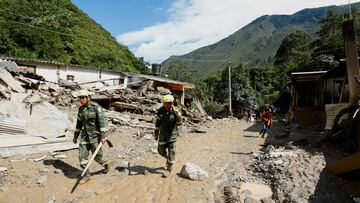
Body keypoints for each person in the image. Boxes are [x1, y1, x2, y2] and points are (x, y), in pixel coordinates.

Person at [73, 89, 110, 184]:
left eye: (83, 98)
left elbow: (102, 123)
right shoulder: (81, 109)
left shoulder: (96, 108)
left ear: (88, 98)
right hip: (85, 136)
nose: (81, 100)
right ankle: (87, 175)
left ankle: (105, 164)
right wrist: (75, 136)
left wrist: (103, 136)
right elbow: (79, 124)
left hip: (95, 137)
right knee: (82, 156)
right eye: (80, 98)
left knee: (98, 157)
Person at [154, 94, 182, 177]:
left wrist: (178, 116)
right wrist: (156, 133)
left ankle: (168, 169)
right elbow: (158, 122)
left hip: (172, 136)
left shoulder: (175, 112)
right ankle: (168, 158)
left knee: (172, 152)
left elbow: (179, 124)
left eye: (169, 103)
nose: (167, 105)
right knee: (160, 151)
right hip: (162, 135)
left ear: (171, 103)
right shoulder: (161, 111)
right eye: (165, 103)